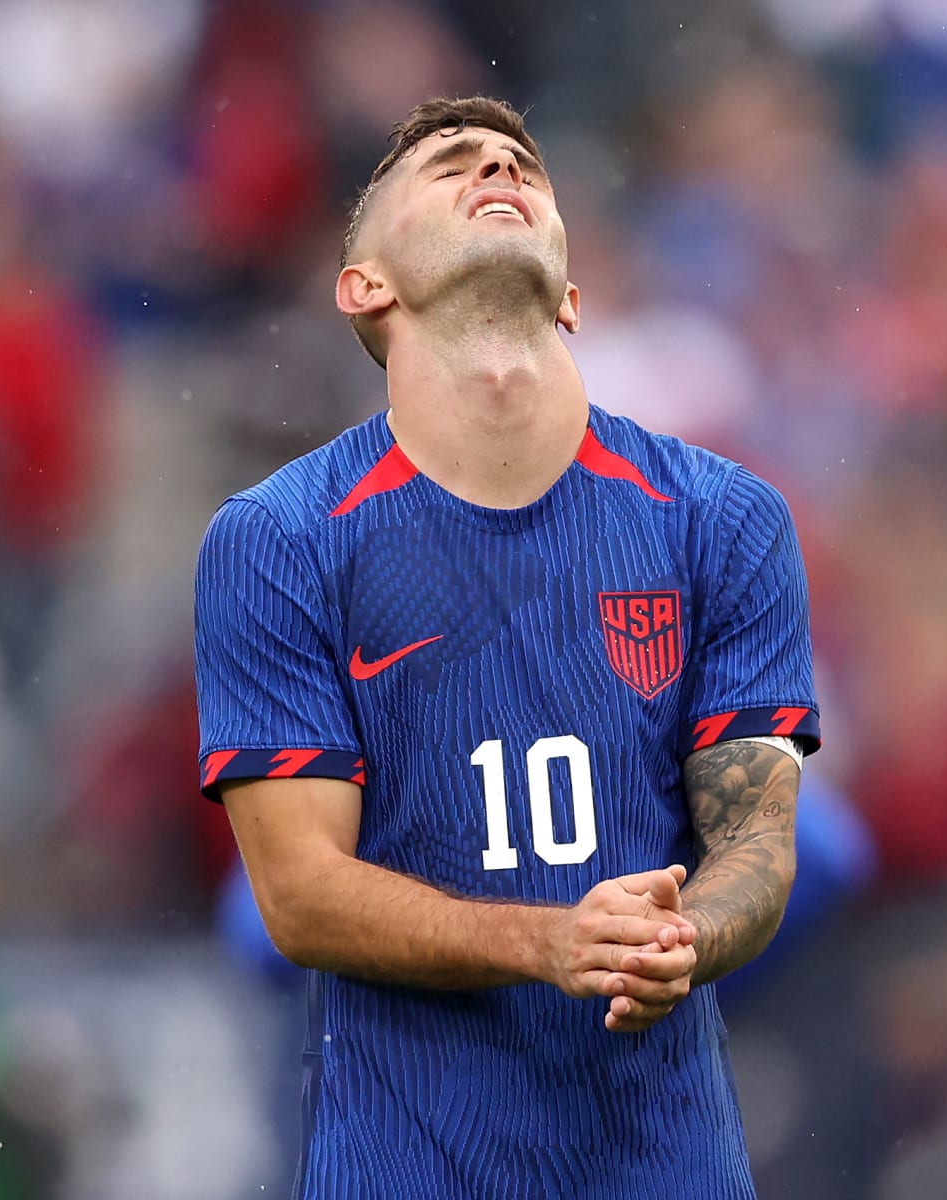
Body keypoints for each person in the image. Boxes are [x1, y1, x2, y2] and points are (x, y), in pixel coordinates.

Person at [194, 96, 819, 1197]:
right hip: (406, 1167)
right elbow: (298, 895)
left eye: (523, 161)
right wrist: (549, 942)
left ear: (571, 295)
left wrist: (674, 942)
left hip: (662, 1164)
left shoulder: (722, 519)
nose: (497, 161)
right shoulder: (279, 542)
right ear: (366, 286)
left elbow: (759, 848)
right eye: (448, 164)